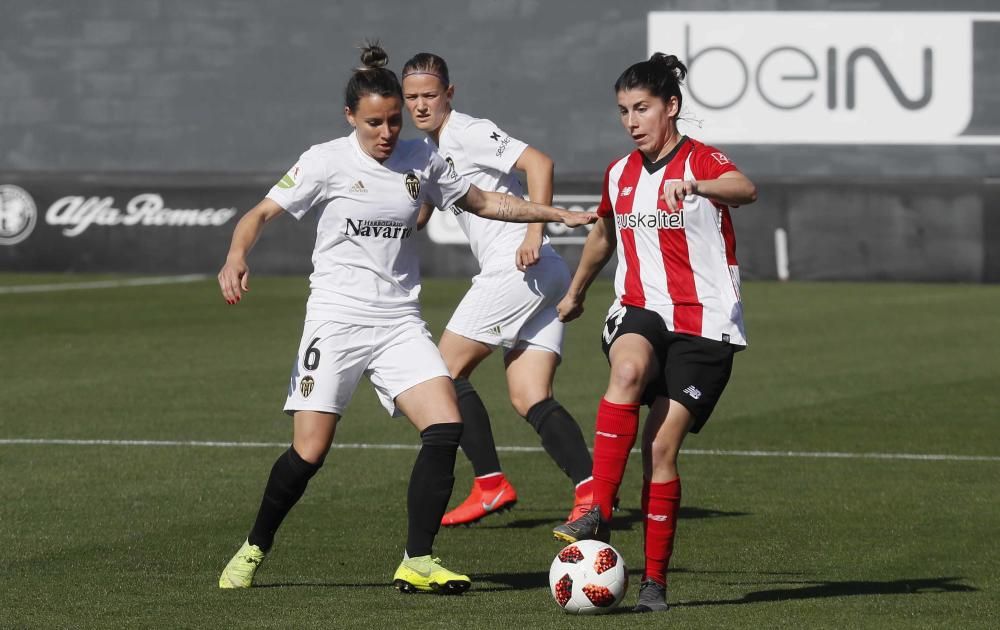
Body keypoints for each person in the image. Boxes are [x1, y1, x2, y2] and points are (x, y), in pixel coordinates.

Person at [216, 42, 595, 595]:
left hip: (398, 322)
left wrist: (550, 213)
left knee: (444, 425)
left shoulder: (422, 158)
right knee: (310, 450)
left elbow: (487, 202)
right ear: (351, 118)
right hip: (337, 319)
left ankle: (417, 558)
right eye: (374, 122)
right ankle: (254, 547)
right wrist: (235, 255)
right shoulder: (325, 159)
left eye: (394, 119)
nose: (387, 131)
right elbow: (261, 213)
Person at [553, 53, 758, 613]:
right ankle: (597, 506)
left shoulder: (700, 160)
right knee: (628, 367)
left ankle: (655, 583)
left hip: (705, 324)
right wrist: (575, 291)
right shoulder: (619, 173)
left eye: (642, 108)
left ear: (671, 107)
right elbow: (603, 235)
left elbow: (745, 188)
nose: (632, 120)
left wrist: (698, 185)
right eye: (623, 111)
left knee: (661, 450)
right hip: (639, 308)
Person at [400, 52, 595, 531]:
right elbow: (421, 213)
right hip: (541, 275)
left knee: (441, 373)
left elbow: (539, 163)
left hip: (521, 265)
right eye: (411, 98)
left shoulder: (465, 130)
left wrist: (535, 233)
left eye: (429, 95)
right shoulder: (430, 149)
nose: (420, 106)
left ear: (450, 93)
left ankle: (490, 484)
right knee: (530, 395)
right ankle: (593, 495)